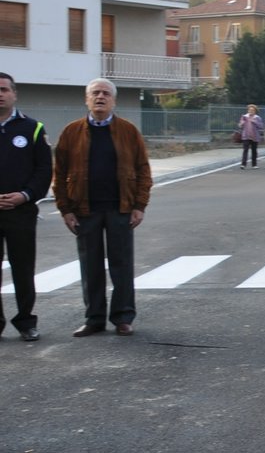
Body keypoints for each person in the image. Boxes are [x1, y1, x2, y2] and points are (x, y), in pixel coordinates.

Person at [53, 78, 152, 337]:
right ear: (86, 99)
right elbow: (59, 173)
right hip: (85, 209)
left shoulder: (129, 131)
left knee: (122, 265)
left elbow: (143, 169)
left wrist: (139, 205)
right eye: (95, 93)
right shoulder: (71, 132)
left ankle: (123, 317)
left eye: (106, 93)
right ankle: (94, 318)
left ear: (114, 100)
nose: (100, 97)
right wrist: (66, 209)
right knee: (90, 266)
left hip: (120, 208)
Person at [0, 72, 51, 341]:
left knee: (23, 268)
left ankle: (26, 322)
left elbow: (44, 170)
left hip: (21, 212)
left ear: (14, 94)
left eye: (4, 89)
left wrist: (25, 195)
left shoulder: (33, 128)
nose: (0, 94)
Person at [237, 104, 264, 168]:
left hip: (254, 137)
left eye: (252, 110)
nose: (251, 111)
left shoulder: (257, 118)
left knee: (254, 151)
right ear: (248, 110)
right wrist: (242, 123)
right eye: (250, 110)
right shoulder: (244, 117)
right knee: (245, 150)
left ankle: (254, 164)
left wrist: (254, 122)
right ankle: (243, 164)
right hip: (246, 136)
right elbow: (240, 126)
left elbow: (261, 126)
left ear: (255, 111)